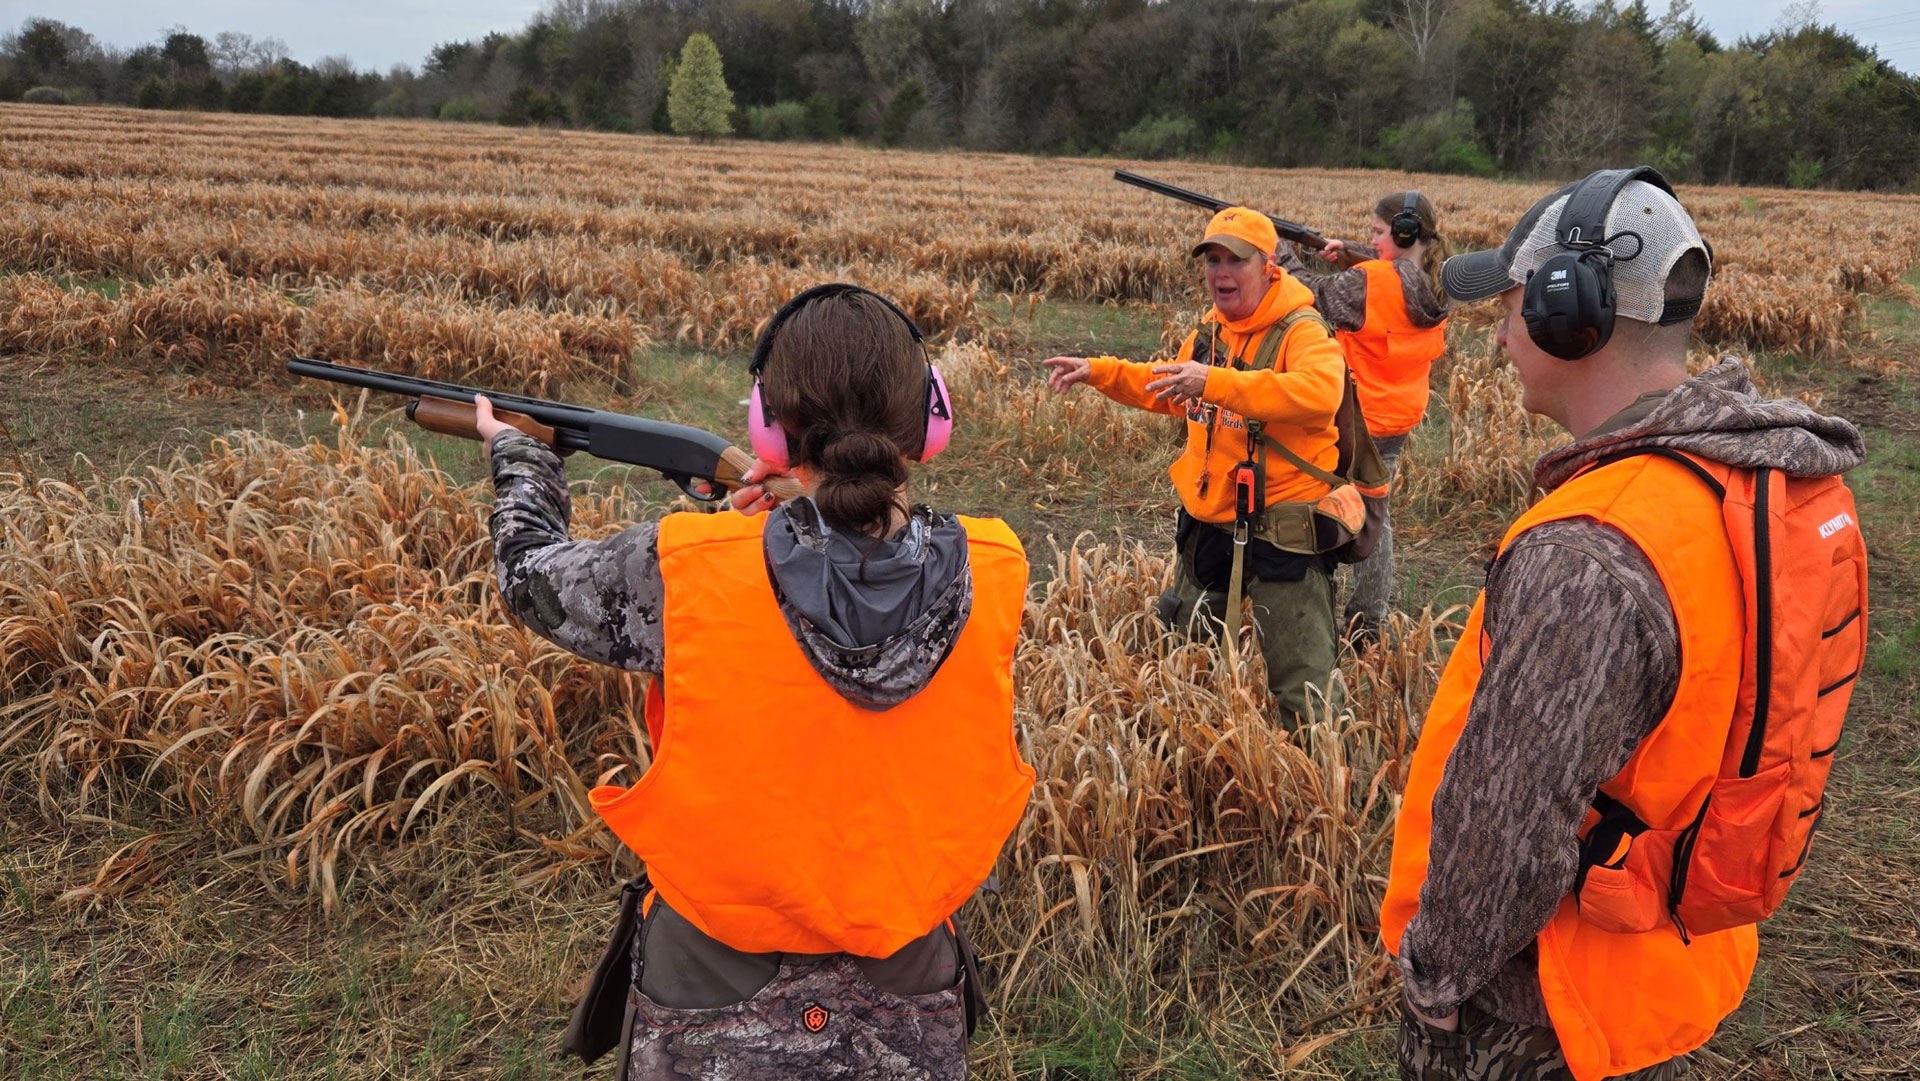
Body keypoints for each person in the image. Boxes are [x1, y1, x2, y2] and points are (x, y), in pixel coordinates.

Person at [1379, 169, 1868, 1081]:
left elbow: (1508, 818)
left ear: (1575, 315)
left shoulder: (1593, 550)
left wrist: (1437, 976)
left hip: (1546, 1007)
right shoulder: (1739, 479)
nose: (1497, 333)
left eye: (1515, 304)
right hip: (1660, 967)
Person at [478, 284, 1036, 1081]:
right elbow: (862, 570)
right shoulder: (997, 565)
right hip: (911, 971)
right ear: (928, 421)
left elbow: (530, 578)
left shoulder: (688, 567)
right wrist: (784, 522)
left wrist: (523, 459)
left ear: (767, 425)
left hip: (711, 976)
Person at [1044, 206, 1350, 728]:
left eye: (1235, 259)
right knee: (1187, 656)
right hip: (1210, 522)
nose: (1220, 272)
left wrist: (1213, 382)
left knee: (1305, 688)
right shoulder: (1212, 332)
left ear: (1269, 266)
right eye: (1211, 259)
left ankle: (1323, 789)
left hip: (1283, 529)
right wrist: (1098, 371)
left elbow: (1321, 394)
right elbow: (1168, 386)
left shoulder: (1302, 330)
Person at [1272, 192, 1451, 646]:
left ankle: (1353, 618)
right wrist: (1348, 250)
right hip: (1401, 415)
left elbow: (1311, 293)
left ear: (1405, 232)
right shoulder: (1438, 279)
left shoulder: (1369, 280)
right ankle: (1368, 618)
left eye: (1377, 232)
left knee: (1340, 509)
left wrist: (1280, 249)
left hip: (1360, 418)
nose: (1371, 240)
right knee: (1378, 512)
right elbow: (1386, 284)